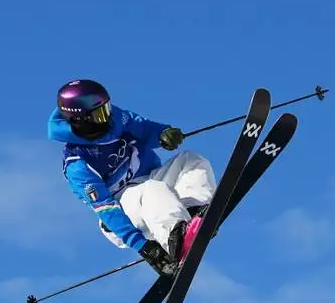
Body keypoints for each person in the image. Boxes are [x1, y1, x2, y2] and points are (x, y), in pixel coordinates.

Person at [48, 78, 217, 276]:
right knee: (151, 190)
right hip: (123, 211)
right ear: (81, 120)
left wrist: (163, 134)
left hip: (152, 184)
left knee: (191, 160)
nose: (107, 116)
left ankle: (193, 214)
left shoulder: (116, 119)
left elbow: (145, 129)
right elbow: (105, 207)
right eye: (100, 113)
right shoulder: (77, 163)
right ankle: (175, 239)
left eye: (107, 108)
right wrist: (143, 247)